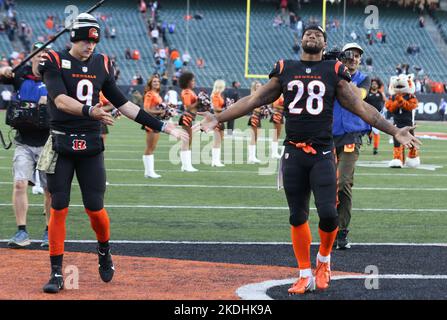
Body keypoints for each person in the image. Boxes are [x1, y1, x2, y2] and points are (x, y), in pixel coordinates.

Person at [196, 25, 420, 295]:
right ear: (301, 41)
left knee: (328, 214)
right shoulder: (285, 68)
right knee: (297, 215)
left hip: (323, 152)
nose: (312, 36)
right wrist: (219, 117)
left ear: (324, 44)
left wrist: (394, 130)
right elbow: (254, 99)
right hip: (293, 152)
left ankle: (324, 260)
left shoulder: (333, 71)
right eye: (308, 34)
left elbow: (362, 109)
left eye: (318, 35)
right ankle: (304, 273)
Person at [37, 13, 187, 294]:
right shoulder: (54, 60)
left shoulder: (102, 63)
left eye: (94, 41)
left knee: (95, 208)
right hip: (62, 142)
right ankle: (56, 272)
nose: (90, 46)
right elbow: (59, 99)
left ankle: (104, 250)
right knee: (59, 205)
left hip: (91, 144)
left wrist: (164, 127)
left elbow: (124, 105)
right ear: (74, 38)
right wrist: (89, 110)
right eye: (85, 41)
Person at [0, 41, 51, 249]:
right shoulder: (20, 77)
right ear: (32, 57)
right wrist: (3, 70)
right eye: (38, 54)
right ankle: (22, 231)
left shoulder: (55, 78)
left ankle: (50, 231)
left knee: (50, 190)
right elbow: (5, 75)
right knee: (20, 184)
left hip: (49, 142)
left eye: (45, 54)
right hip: (24, 141)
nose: (41, 57)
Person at [332, 43, 371, 250]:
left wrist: (342, 75)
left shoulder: (363, 79)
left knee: (343, 183)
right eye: (349, 55)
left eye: (357, 56)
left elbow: (358, 96)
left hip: (351, 137)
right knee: (325, 184)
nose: (353, 58)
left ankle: (342, 231)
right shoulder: (332, 73)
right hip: (327, 137)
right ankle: (329, 228)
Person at [142, 75, 165, 178]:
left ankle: (149, 172)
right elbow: (146, 109)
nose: (156, 83)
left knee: (153, 147)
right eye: (154, 81)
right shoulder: (150, 94)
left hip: (156, 120)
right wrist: (160, 111)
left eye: (158, 81)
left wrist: (165, 112)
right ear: (150, 83)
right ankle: (149, 172)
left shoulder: (157, 94)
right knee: (150, 147)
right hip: (150, 121)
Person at [178, 71, 199, 172]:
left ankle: (186, 165)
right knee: (186, 141)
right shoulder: (186, 92)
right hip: (187, 117)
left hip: (190, 118)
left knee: (188, 141)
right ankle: (186, 166)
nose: (194, 82)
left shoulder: (190, 91)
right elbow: (187, 107)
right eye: (192, 80)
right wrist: (199, 102)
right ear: (187, 82)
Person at [365, 78, 387, 155]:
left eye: (375, 84)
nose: (374, 85)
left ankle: (375, 148)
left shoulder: (380, 93)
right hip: (367, 114)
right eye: (373, 83)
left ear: (378, 85)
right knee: (366, 130)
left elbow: (385, 101)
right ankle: (369, 136)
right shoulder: (367, 93)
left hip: (377, 115)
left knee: (376, 132)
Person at [210, 79, 226, 167]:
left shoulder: (219, 95)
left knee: (220, 140)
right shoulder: (215, 95)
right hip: (217, 118)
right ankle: (215, 161)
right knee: (217, 140)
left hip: (221, 118)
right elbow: (216, 108)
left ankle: (216, 159)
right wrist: (227, 108)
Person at [247, 81, 263, 164]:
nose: (259, 87)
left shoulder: (260, 95)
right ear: (254, 87)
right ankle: (251, 157)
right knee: (254, 137)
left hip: (258, 117)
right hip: (254, 117)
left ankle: (252, 157)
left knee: (256, 137)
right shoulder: (254, 95)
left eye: (260, 86)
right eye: (257, 86)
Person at [270, 94, 284, 159]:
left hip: (278, 115)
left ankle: (274, 153)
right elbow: (275, 106)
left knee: (277, 134)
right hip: (277, 115)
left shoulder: (278, 97)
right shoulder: (279, 97)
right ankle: (274, 153)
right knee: (276, 134)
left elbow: (271, 107)